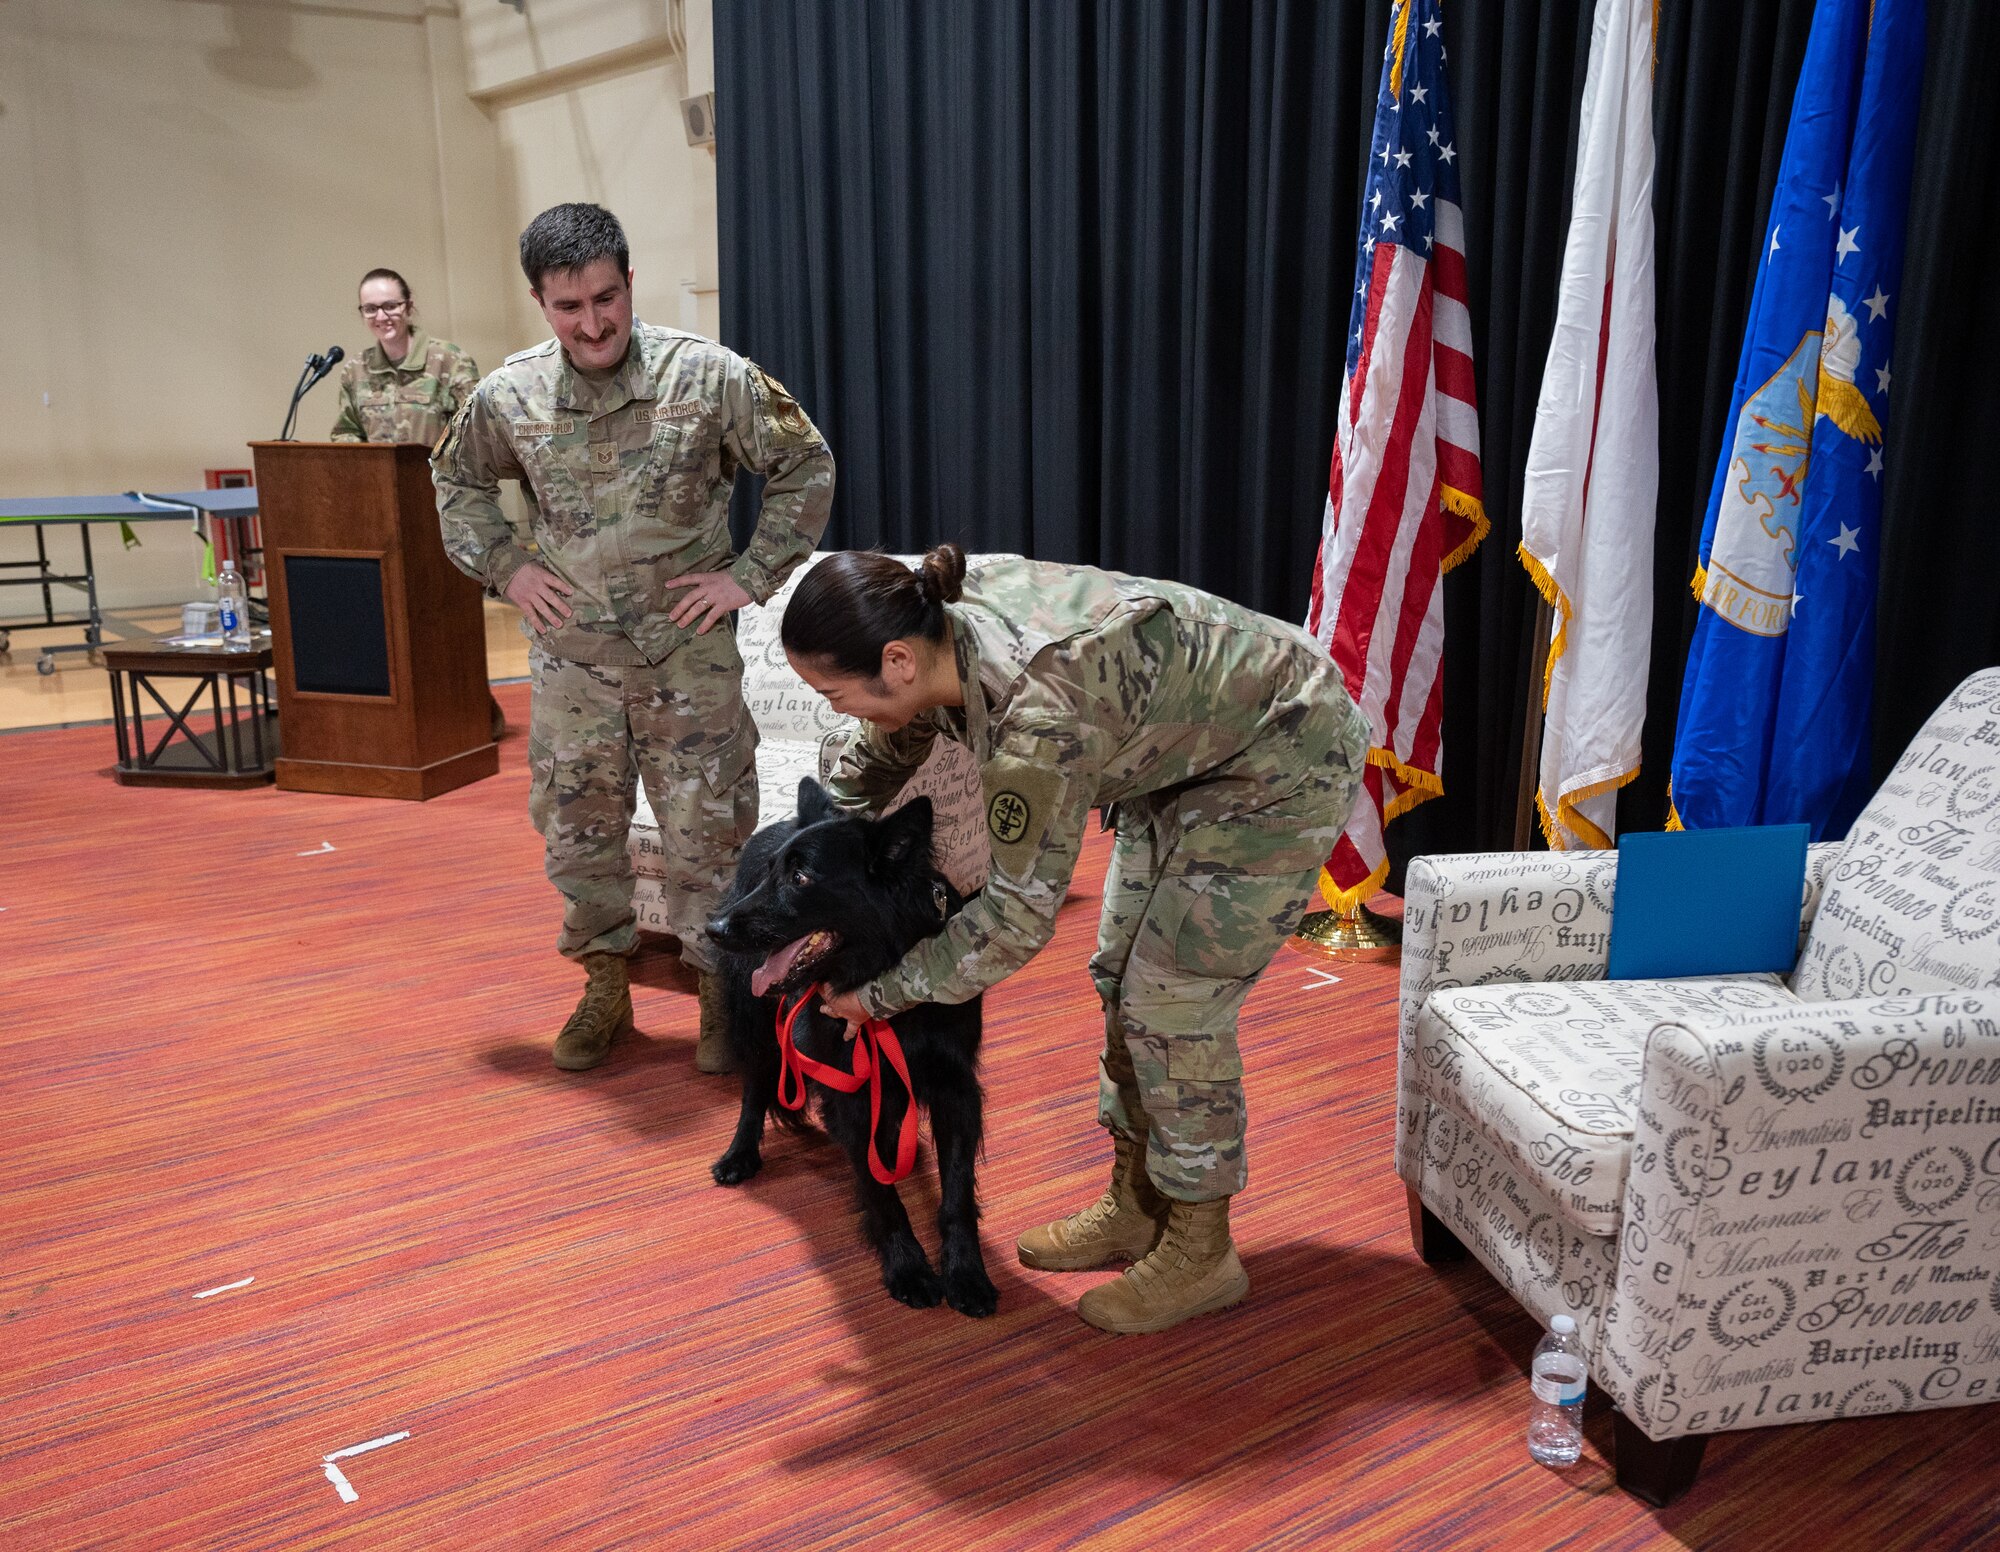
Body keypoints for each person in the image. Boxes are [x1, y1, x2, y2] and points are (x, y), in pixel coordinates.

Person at [783, 545, 1367, 1335]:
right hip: (1177, 757)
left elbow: (1013, 923)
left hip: (1281, 756)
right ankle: (1137, 1202)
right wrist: (800, 855)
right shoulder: (927, 625)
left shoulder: (1038, 720)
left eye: (833, 692)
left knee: (1171, 1003)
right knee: (1119, 972)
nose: (834, 709)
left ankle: (1202, 1250)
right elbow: (891, 740)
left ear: (897, 661)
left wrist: (876, 995)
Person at [432, 203, 833, 1075]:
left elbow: (806, 464)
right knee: (579, 832)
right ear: (540, 300)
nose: (593, 324)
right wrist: (507, 567)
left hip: (685, 659)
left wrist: (749, 577)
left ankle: (721, 991)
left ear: (629, 281)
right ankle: (605, 985)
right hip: (574, 666)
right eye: (568, 307)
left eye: (606, 299)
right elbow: (455, 483)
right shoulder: (510, 395)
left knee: (708, 832)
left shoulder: (710, 377)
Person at [330, 268, 480, 445]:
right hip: (377, 473)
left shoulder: (451, 360)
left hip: (437, 472)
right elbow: (346, 433)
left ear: (408, 307)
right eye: (370, 309)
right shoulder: (356, 369)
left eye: (390, 306)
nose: (380, 316)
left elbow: (477, 432)